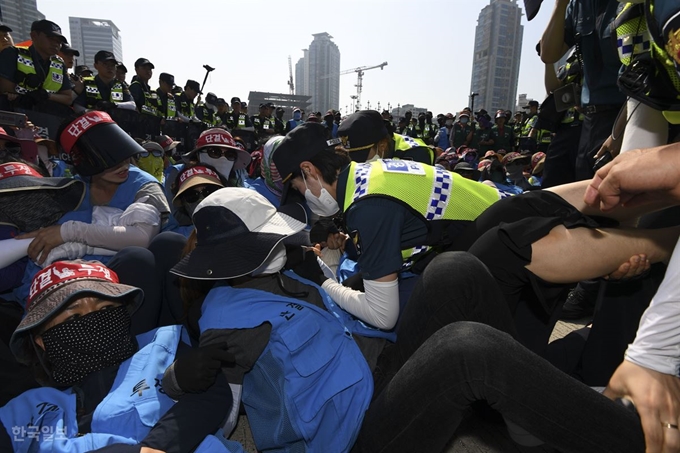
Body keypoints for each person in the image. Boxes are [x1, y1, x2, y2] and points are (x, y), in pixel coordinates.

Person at [273, 122, 503, 331]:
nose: (302, 197)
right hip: (493, 223)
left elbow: (383, 316)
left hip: (499, 259)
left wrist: (321, 279)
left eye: (297, 188)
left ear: (309, 170)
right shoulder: (370, 173)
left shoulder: (367, 206)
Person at [0, 259, 238, 453]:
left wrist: (154, 447)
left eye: (105, 309)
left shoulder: (162, 349)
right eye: (73, 318)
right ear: (42, 340)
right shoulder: (32, 408)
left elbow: (212, 393)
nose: (94, 322)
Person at [14, 112, 170, 302]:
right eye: (108, 157)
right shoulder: (71, 190)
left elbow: (141, 238)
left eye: (122, 150)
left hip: (127, 285)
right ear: (81, 161)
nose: (122, 163)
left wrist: (67, 232)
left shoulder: (146, 186)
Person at [0, 20, 73, 109]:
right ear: (34, 36)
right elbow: (7, 91)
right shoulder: (12, 54)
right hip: (18, 113)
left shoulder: (59, 63)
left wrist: (47, 95)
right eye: (50, 38)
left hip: (51, 116)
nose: (55, 44)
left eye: (59, 41)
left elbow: (68, 98)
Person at [337, 110, 434, 164]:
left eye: (361, 157)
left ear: (382, 145)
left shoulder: (415, 155)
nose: (357, 164)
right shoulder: (380, 147)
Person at [129, 57, 160, 139]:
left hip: (150, 129)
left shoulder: (149, 89)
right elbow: (133, 107)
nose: (148, 71)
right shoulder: (136, 86)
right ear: (136, 70)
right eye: (144, 68)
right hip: (140, 130)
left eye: (150, 69)